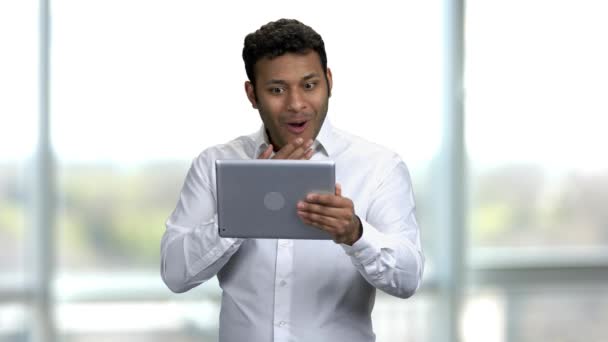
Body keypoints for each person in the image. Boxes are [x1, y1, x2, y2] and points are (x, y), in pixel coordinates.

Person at [160, 18, 424, 342]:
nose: (296, 104)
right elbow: (175, 273)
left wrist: (355, 233)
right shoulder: (214, 165)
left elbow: (408, 278)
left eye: (309, 85)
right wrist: (247, 206)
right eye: (276, 90)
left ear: (329, 82)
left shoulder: (379, 166)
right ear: (252, 94)